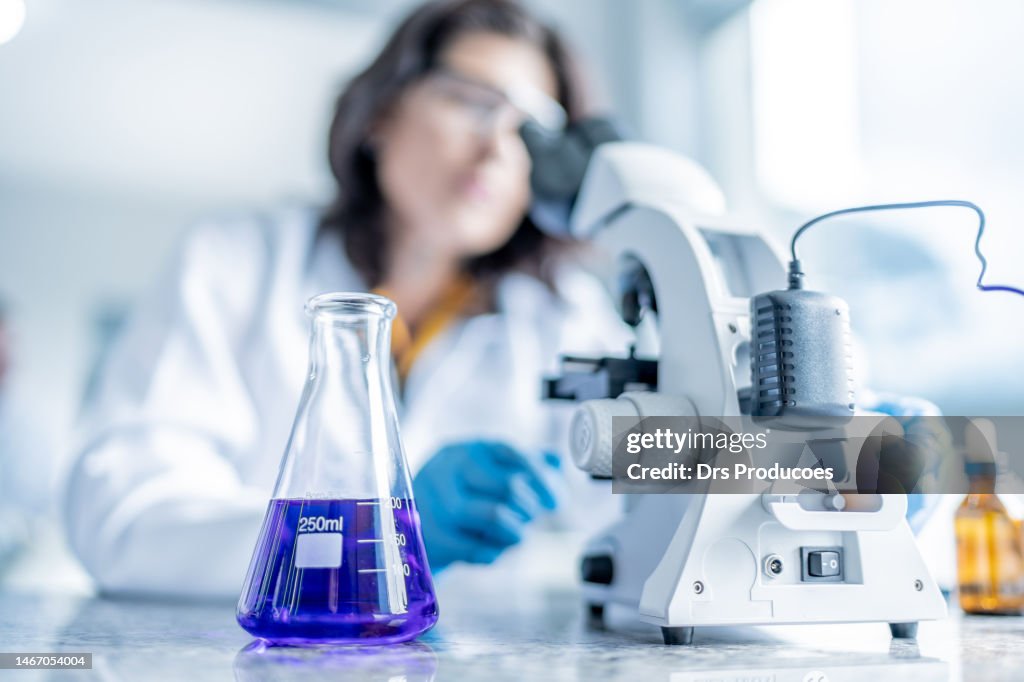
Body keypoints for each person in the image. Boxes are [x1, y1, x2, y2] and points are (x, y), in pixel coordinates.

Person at [63, 0, 634, 599]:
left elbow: (652, 489)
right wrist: (376, 532)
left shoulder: (562, 315)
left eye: (532, 129)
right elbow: (124, 517)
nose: (498, 147)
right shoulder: (235, 262)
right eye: (472, 102)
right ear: (380, 112)